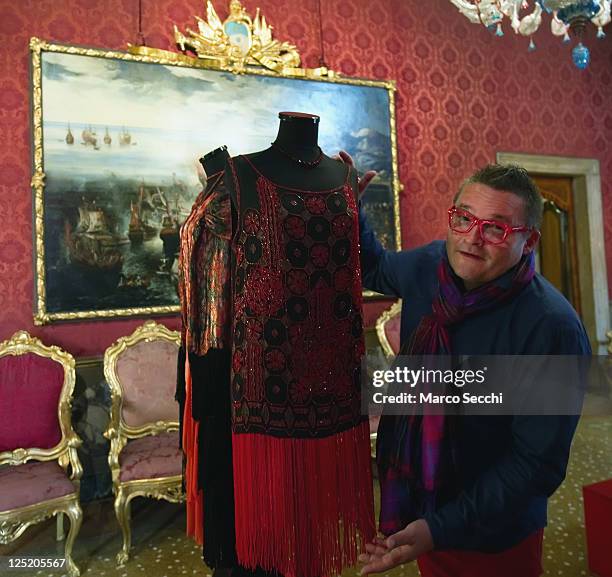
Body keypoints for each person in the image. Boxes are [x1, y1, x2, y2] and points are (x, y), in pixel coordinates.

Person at [340, 154, 591, 577]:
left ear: (528, 242)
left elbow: (536, 466)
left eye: (496, 228)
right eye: (464, 218)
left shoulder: (554, 329)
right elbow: (378, 267)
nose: (472, 238)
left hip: (492, 533)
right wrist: (350, 211)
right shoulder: (430, 266)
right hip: (423, 495)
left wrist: (440, 528)